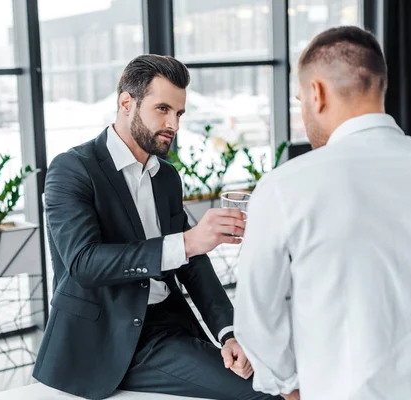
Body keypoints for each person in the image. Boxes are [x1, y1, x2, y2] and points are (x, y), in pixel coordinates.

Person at [33, 54, 278, 400]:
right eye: (162, 109)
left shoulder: (166, 177)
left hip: (171, 325)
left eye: (178, 113)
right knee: (265, 391)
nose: (174, 125)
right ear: (126, 103)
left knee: (277, 372)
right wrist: (189, 241)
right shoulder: (73, 169)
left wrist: (230, 333)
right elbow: (84, 264)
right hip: (114, 341)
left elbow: (193, 263)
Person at [233, 26, 411, 400]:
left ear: (317, 92)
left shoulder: (285, 187)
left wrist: (289, 390)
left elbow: (257, 320)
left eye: (300, 100)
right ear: (380, 86)